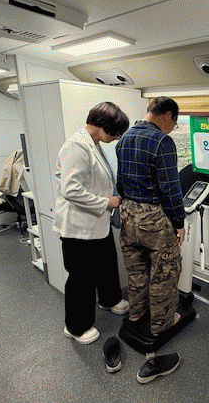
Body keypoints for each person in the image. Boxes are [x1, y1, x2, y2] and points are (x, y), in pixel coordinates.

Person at [54, 101, 130, 345]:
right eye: (116, 133)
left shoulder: (94, 144)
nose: (117, 138)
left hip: (98, 224)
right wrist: (106, 202)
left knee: (107, 265)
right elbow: (70, 190)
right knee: (81, 278)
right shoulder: (76, 146)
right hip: (79, 227)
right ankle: (75, 327)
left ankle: (109, 300)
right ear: (102, 125)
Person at [115, 96, 186, 336]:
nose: (172, 128)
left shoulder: (124, 138)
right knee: (165, 271)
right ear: (166, 115)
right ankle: (162, 323)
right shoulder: (162, 141)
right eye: (174, 122)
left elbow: (120, 182)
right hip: (153, 218)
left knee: (136, 271)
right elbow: (171, 189)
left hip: (127, 213)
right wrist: (179, 223)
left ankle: (137, 313)